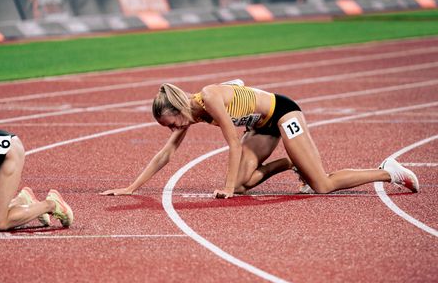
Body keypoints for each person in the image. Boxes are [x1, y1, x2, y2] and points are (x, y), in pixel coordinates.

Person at [100, 80, 419, 198]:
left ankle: (389, 171)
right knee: (241, 186)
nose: (174, 130)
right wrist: (131, 188)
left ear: (179, 107)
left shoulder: (208, 99)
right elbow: (165, 155)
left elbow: (234, 143)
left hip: (284, 115)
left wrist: (224, 188)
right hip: (262, 127)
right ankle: (290, 163)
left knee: (322, 185)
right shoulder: (190, 112)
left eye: (172, 124)